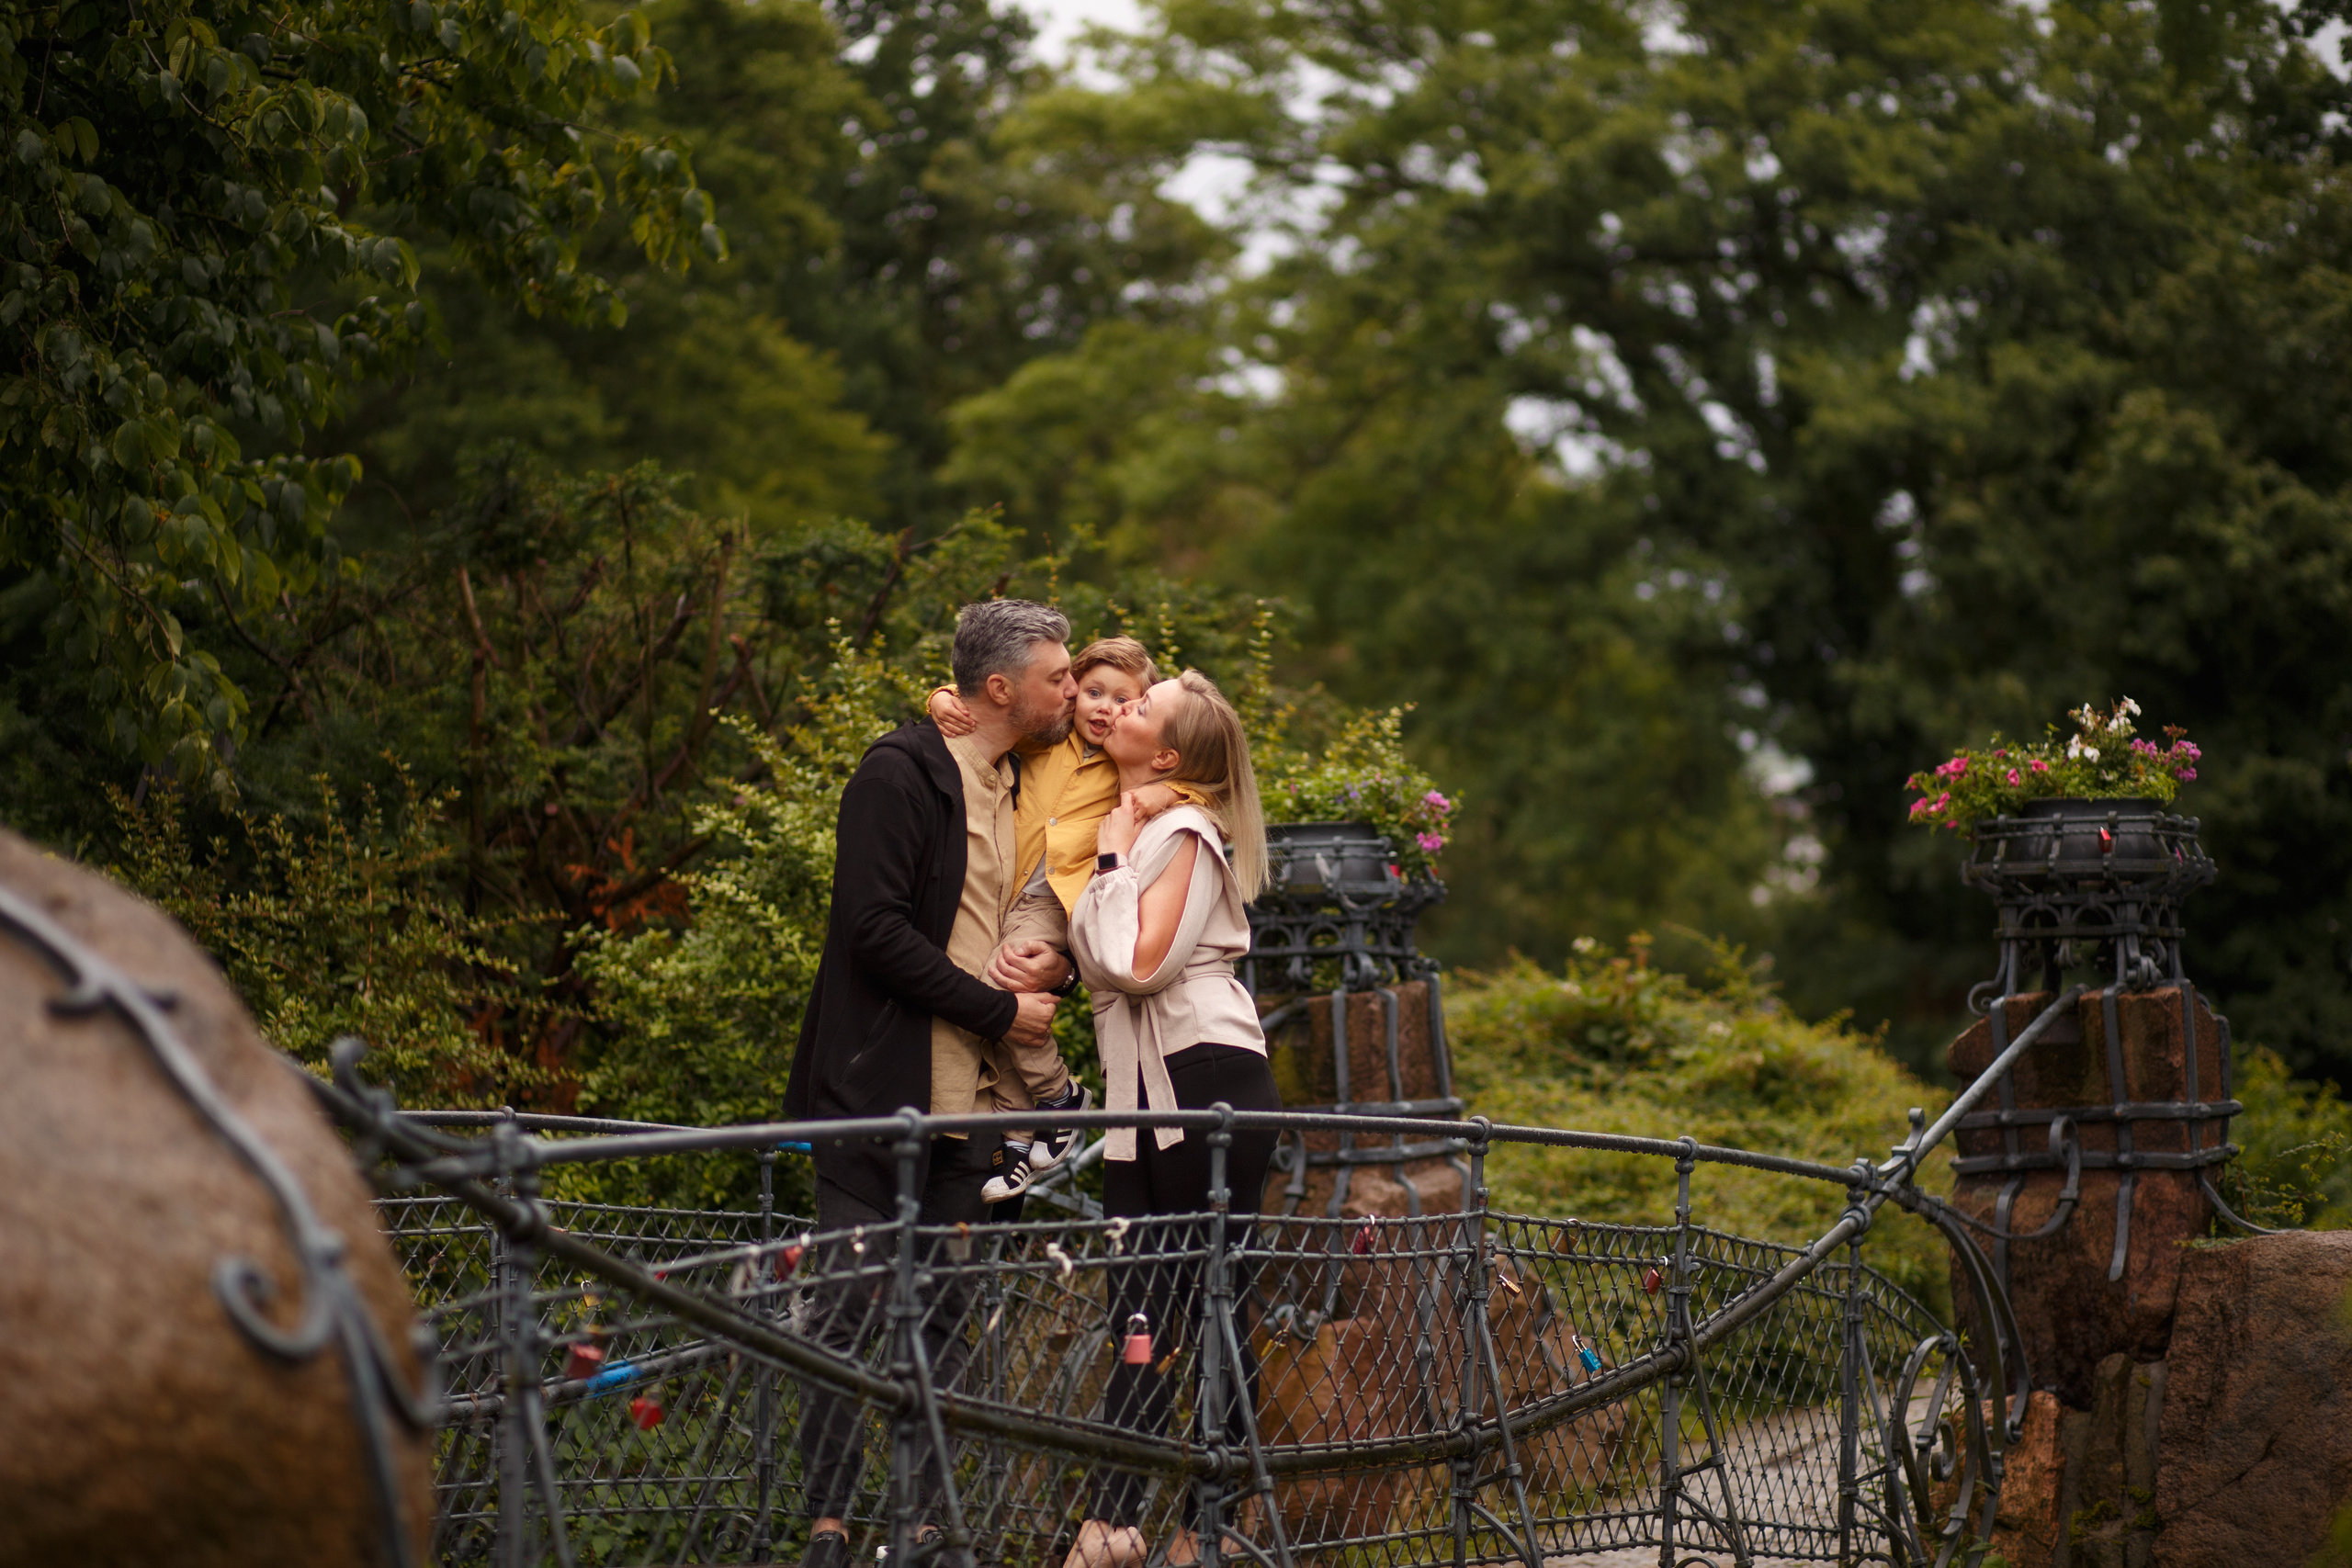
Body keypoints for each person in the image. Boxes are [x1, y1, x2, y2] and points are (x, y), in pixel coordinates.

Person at [781, 597, 1081, 1568]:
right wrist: (995, 1012)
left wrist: (1053, 977)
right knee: (841, 1312)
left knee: (950, 1327)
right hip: (877, 1096)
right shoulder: (898, 774)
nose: (1070, 690)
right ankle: (829, 1527)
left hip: (979, 1111)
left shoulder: (1026, 779)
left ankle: (924, 1528)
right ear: (999, 688)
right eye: (1056, 676)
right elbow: (872, 931)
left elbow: (1049, 915)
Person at [1060, 670, 1282, 1568]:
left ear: (1170, 756)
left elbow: (1138, 964)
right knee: (1144, 1309)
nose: (1117, 707)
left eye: (1140, 708)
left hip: (1204, 1079)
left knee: (1201, 1300)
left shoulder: (1182, 833)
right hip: (1144, 1093)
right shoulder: (1142, 819)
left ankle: (1200, 1522)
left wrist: (1112, 858)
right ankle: (1121, 1527)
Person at [926, 636, 1204, 1201]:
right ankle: (1020, 1137)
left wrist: (1162, 795)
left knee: (1004, 981)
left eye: (1122, 699)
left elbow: (1203, 786)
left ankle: (1059, 1095)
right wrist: (939, 696)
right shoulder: (1043, 738)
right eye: (1092, 692)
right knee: (988, 998)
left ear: (1138, 707)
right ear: (1071, 693)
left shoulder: (1128, 764)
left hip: (1054, 898)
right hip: (1002, 885)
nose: (1104, 708)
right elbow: (989, 701)